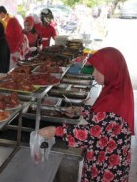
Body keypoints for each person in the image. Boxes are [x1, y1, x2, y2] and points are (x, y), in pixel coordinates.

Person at [39, 47, 134, 182]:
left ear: (110, 69)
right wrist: (81, 110)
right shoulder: (115, 88)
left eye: (97, 70)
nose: (94, 74)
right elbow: (103, 119)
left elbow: (91, 134)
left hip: (107, 162)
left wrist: (56, 131)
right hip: (110, 153)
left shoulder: (114, 99)